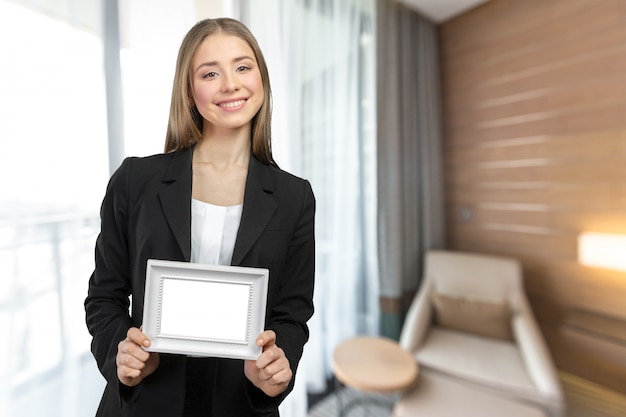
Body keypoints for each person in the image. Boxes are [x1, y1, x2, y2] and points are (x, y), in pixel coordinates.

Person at [84, 17, 315, 417]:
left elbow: (291, 315)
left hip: (239, 403)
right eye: (211, 73)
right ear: (190, 91)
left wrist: (280, 366)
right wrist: (123, 353)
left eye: (243, 67)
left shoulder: (295, 197)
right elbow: (104, 298)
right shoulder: (136, 181)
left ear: (262, 78)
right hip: (145, 402)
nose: (230, 83)